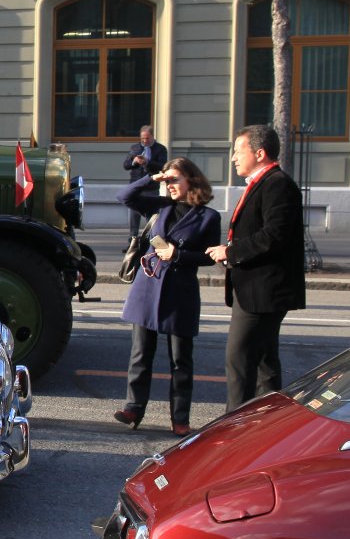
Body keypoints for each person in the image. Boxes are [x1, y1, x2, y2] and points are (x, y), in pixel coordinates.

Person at [113, 157, 221, 436]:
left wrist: (179, 255)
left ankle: (180, 418)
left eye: (175, 179)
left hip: (180, 292)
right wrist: (153, 178)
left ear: (191, 180)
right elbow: (125, 196)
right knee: (140, 354)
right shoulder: (161, 206)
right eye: (168, 180)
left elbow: (209, 257)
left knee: (180, 360)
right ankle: (133, 408)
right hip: (148, 288)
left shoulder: (208, 217)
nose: (170, 185)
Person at [207, 124, 306, 412]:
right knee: (264, 363)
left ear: (259, 153)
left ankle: (234, 427)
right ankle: (268, 423)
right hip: (255, 288)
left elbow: (274, 235)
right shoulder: (263, 183)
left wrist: (231, 252)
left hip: (262, 291)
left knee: (239, 359)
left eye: (238, 151)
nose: (233, 158)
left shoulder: (278, 184)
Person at [121, 125, 168, 236]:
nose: (144, 141)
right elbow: (126, 165)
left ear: (152, 136)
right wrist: (134, 161)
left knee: (151, 215)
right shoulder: (135, 148)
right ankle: (132, 239)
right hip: (136, 186)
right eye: (142, 138)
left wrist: (148, 162)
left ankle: (151, 238)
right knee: (134, 215)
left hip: (151, 187)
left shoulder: (160, 149)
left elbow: (163, 166)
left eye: (147, 138)